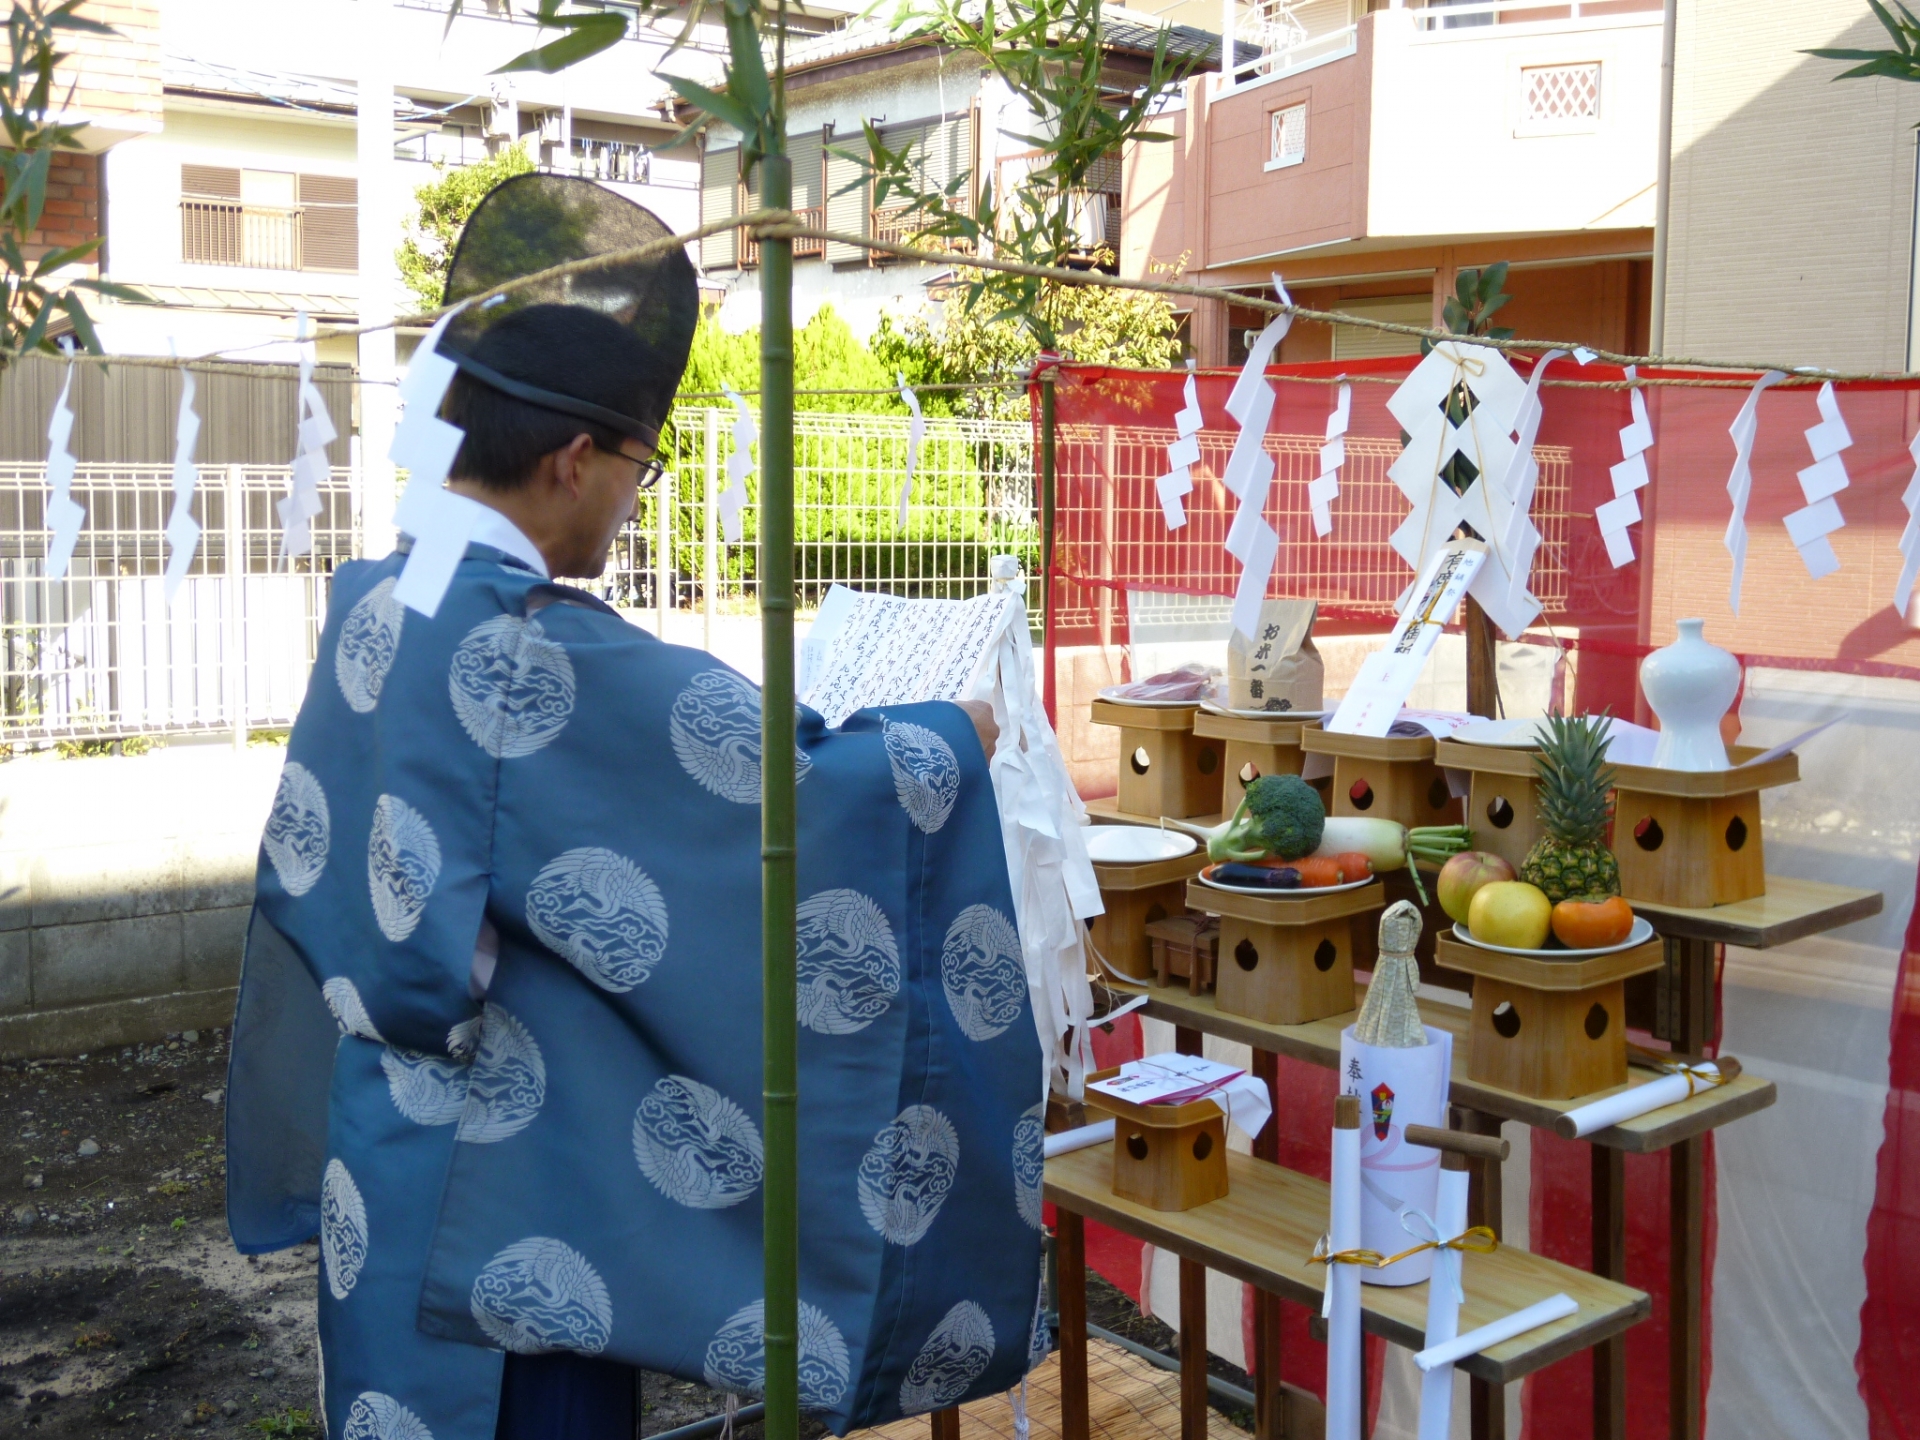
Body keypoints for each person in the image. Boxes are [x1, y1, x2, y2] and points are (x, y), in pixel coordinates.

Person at [224, 176, 1045, 1440]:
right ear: (572, 458)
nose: (631, 496)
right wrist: (953, 737)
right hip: (511, 1208)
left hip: (379, 1169)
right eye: (636, 470)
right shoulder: (527, 655)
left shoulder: (380, 598)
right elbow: (807, 798)